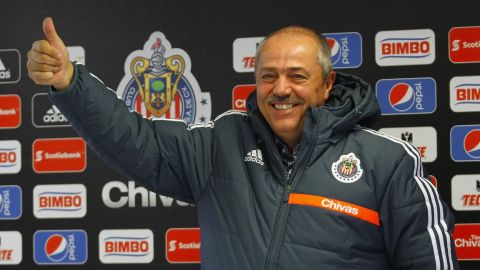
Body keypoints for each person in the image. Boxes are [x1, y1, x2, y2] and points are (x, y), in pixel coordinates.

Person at [27, 17, 459, 269]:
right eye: (268, 75)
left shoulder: (388, 162)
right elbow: (134, 140)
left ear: (327, 84)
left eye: (297, 75)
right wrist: (70, 83)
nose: (280, 88)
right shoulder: (221, 143)